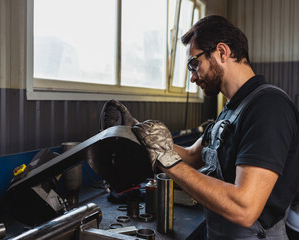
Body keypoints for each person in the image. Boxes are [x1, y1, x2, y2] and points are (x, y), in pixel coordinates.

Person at [128, 15, 299, 239]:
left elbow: (244, 208)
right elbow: (191, 156)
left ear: (221, 52)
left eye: (194, 64)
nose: (192, 77)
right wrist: (136, 133)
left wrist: (167, 162)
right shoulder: (231, 109)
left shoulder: (268, 106)